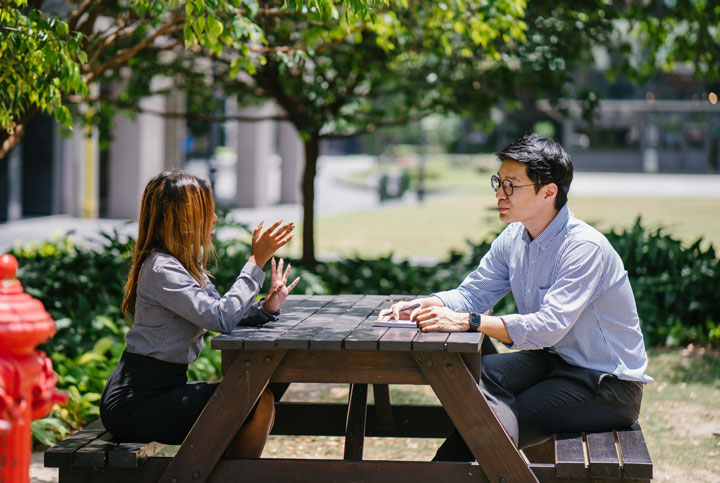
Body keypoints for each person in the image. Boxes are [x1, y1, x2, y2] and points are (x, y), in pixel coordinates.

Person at [380, 133, 652, 458]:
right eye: (499, 182)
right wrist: (427, 304)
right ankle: (480, 458)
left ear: (548, 192)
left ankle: (468, 466)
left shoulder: (583, 248)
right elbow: (473, 293)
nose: (499, 193)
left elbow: (548, 326)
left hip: (607, 384)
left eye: (511, 185)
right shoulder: (514, 238)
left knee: (484, 423)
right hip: (556, 361)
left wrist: (470, 322)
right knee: (475, 374)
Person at [100, 170, 299, 457]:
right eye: (208, 211)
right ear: (181, 218)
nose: (215, 219)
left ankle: (233, 476)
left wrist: (266, 307)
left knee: (260, 393)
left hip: (163, 390)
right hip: (135, 403)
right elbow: (220, 319)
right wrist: (255, 262)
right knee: (257, 399)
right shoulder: (162, 269)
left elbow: (225, 312)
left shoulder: (184, 264)